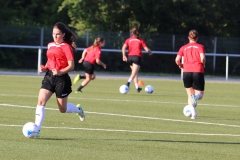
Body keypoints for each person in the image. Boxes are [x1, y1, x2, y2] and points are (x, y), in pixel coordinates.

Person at [35, 22, 85, 136]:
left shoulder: (67, 47)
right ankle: (37, 129)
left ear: (63, 34)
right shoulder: (50, 45)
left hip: (62, 79)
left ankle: (79, 110)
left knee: (62, 109)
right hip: (49, 77)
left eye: (57, 34)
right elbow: (50, 60)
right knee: (41, 101)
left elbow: (71, 66)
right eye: (53, 34)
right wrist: (45, 67)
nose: (55, 36)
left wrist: (60, 72)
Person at [175, 29, 206, 119]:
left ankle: (194, 115)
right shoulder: (200, 46)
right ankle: (194, 97)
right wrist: (203, 64)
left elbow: (177, 59)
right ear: (197, 38)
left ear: (189, 37)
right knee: (199, 95)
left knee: (190, 94)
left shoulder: (183, 47)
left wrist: (181, 65)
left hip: (186, 72)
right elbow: (202, 58)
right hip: (198, 71)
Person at [122, 27, 153, 92]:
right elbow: (147, 49)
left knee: (135, 72)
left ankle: (137, 87)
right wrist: (150, 52)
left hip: (129, 57)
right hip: (137, 57)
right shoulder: (141, 40)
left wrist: (124, 56)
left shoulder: (128, 40)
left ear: (132, 33)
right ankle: (128, 83)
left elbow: (123, 48)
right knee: (134, 73)